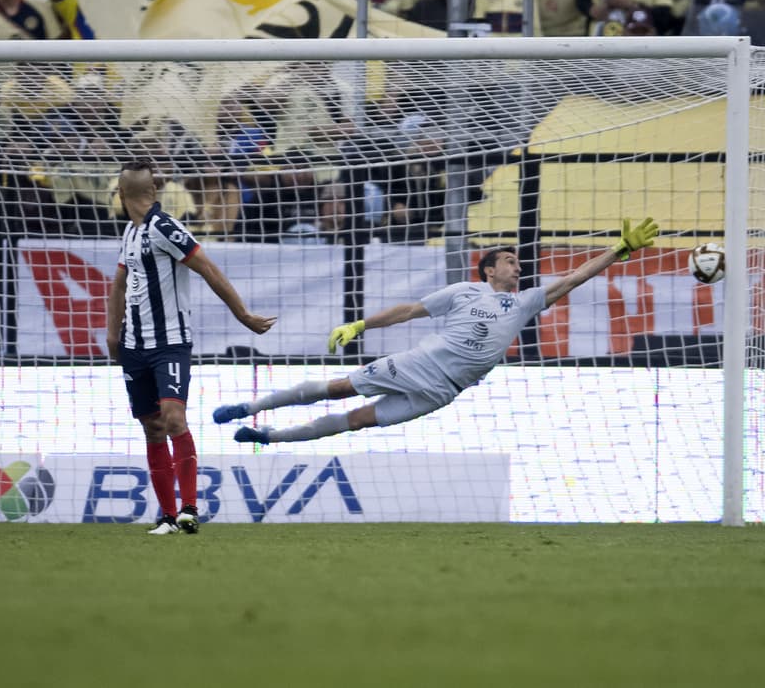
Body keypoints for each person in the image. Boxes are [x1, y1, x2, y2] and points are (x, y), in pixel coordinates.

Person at [214, 223, 659, 444]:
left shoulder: (524, 302)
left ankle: (268, 438)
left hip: (442, 392)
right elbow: (410, 310)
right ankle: (248, 406)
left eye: (517, 262)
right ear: (488, 269)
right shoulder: (466, 291)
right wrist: (360, 325)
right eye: (509, 261)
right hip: (417, 365)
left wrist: (619, 249)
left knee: (353, 424)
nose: (517, 266)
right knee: (335, 389)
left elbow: (574, 278)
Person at [107, 159, 275, 534]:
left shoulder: (165, 227)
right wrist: (113, 335)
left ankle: (189, 508)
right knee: (151, 428)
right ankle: (167, 517)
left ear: (121, 194)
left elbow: (208, 268)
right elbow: (118, 284)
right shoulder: (130, 233)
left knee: (173, 418)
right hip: (134, 345)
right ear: (151, 191)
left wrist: (243, 315)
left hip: (170, 343)